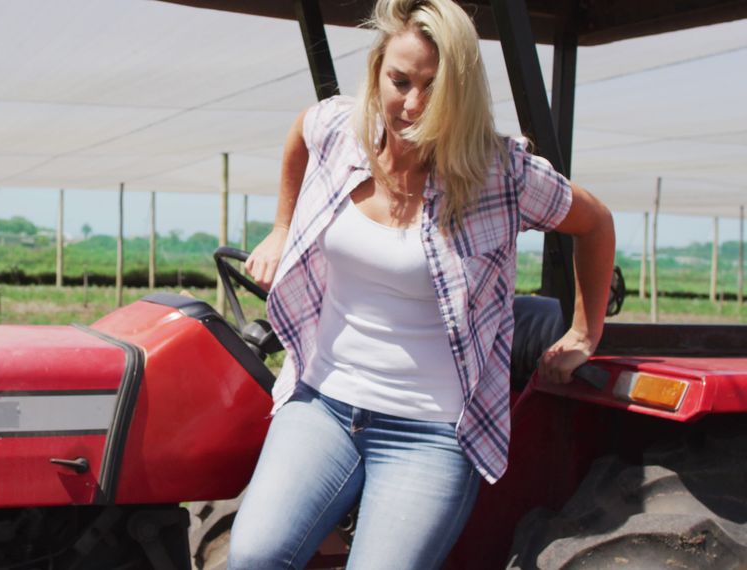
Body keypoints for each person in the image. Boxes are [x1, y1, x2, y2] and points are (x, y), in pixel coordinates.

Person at [226, 0, 615, 568]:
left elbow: (596, 221)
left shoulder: (500, 173)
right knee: (255, 557)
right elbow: (301, 132)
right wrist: (281, 228)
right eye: (399, 80)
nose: (411, 104)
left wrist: (586, 330)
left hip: (428, 431)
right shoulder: (340, 129)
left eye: (433, 86)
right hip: (324, 405)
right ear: (377, 70)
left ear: (460, 90)